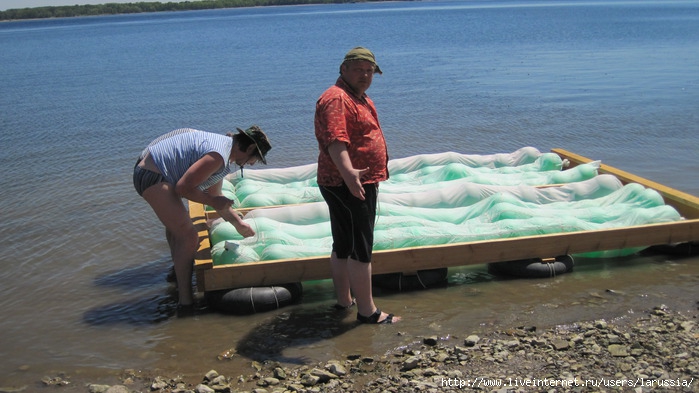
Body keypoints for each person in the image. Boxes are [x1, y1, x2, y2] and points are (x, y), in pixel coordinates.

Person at [133, 126, 271, 316]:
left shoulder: (223, 152)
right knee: (189, 236)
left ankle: (177, 274)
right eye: (255, 158)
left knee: (177, 228)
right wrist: (213, 201)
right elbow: (184, 188)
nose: (253, 164)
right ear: (248, 149)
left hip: (150, 169)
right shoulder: (218, 155)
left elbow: (215, 196)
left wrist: (238, 224)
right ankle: (186, 303)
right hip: (152, 175)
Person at [314, 47, 400, 324]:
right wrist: (350, 174)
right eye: (358, 69)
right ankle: (368, 312)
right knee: (360, 246)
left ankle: (344, 301)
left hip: (348, 180)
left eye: (369, 70)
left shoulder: (355, 96)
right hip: (349, 182)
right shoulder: (337, 98)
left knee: (344, 243)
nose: (365, 75)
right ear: (343, 69)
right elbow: (335, 140)